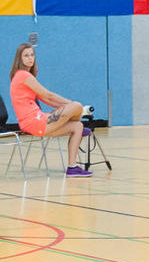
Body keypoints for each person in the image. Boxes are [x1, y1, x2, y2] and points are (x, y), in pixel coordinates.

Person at [9, 42, 93, 178]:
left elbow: (47, 100)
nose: (30, 58)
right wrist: (72, 106)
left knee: (77, 126)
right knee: (77, 105)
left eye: (32, 55)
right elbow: (49, 95)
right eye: (26, 56)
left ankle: (72, 168)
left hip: (37, 121)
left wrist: (68, 108)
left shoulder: (24, 76)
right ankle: (79, 113)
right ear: (20, 59)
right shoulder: (23, 75)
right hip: (35, 122)